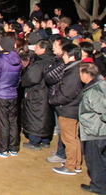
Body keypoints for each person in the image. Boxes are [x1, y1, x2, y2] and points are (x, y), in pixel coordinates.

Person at [49, 43, 84, 175]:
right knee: (74, 138)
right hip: (73, 108)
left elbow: (67, 93)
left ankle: (70, 166)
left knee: (69, 139)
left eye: (64, 55)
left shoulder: (73, 72)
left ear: (71, 57)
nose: (62, 57)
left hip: (67, 109)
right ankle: (76, 163)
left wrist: (53, 100)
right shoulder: (77, 69)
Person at [0, 36, 22, 158]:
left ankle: (2, 148)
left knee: (3, 122)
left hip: (1, 94)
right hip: (12, 94)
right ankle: (13, 147)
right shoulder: (18, 59)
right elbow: (18, 79)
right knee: (13, 121)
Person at [21, 39, 56, 150]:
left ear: (43, 49)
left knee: (35, 116)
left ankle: (34, 140)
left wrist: (23, 81)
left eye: (37, 46)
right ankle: (45, 139)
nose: (35, 48)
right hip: (49, 94)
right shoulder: (54, 61)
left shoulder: (39, 64)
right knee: (47, 115)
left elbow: (30, 78)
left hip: (36, 94)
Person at [78, 63, 106, 194]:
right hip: (99, 130)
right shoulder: (101, 84)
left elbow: (103, 111)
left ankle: (98, 186)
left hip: (95, 131)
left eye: (81, 73)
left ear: (87, 75)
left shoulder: (94, 91)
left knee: (94, 161)